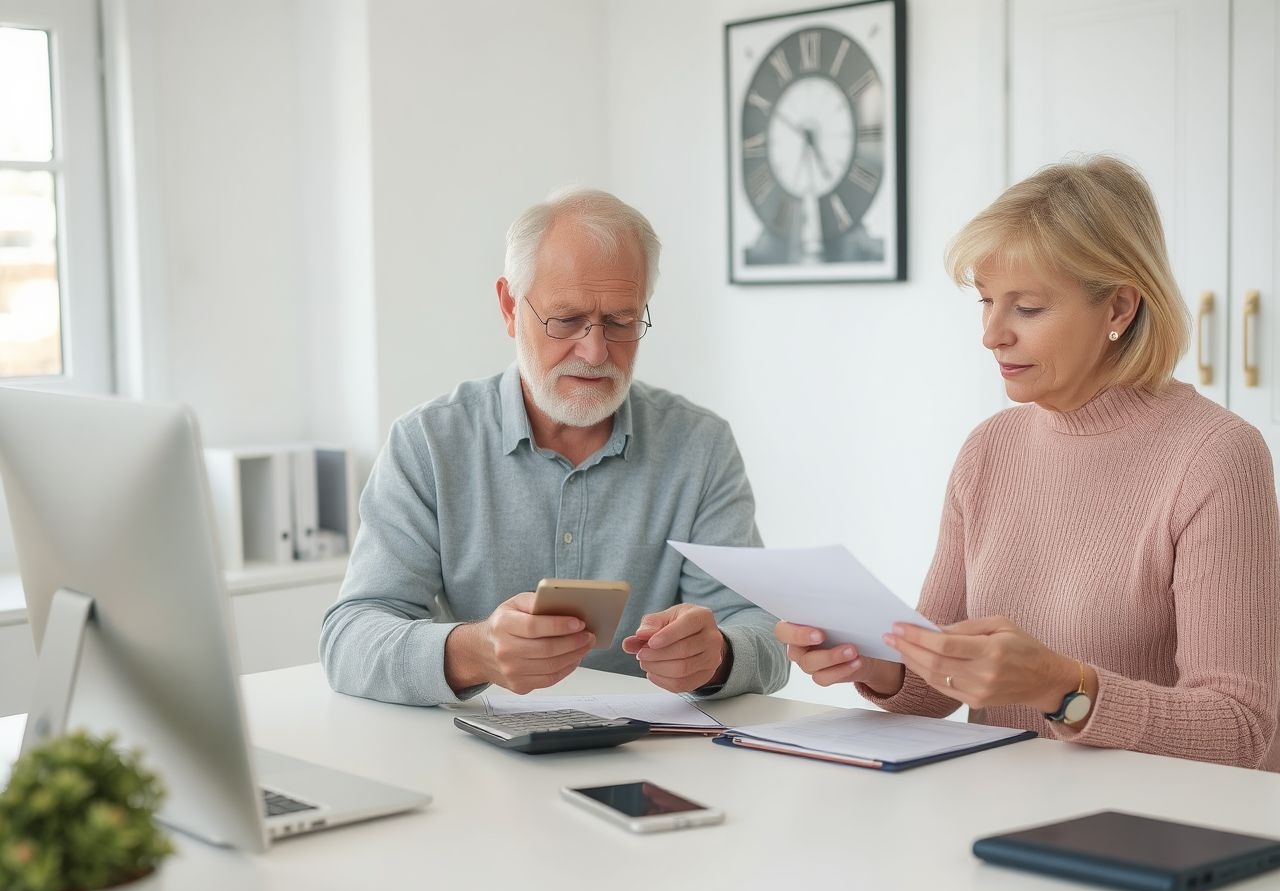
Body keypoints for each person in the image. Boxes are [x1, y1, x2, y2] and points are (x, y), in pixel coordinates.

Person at [777, 156, 1280, 770]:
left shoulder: (1215, 456)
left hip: (1151, 815)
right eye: (987, 301)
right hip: (1002, 801)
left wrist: (1062, 689)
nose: (992, 334)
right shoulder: (989, 449)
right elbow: (936, 683)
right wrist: (875, 664)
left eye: (1029, 308)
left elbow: (1240, 729)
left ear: (1119, 309)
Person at [322, 188, 787, 706]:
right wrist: (475, 650)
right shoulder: (429, 443)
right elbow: (349, 639)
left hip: (649, 742)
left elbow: (763, 632)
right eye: (566, 320)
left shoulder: (700, 446)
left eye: (621, 321)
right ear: (509, 307)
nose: (595, 351)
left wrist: (717, 655)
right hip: (477, 740)